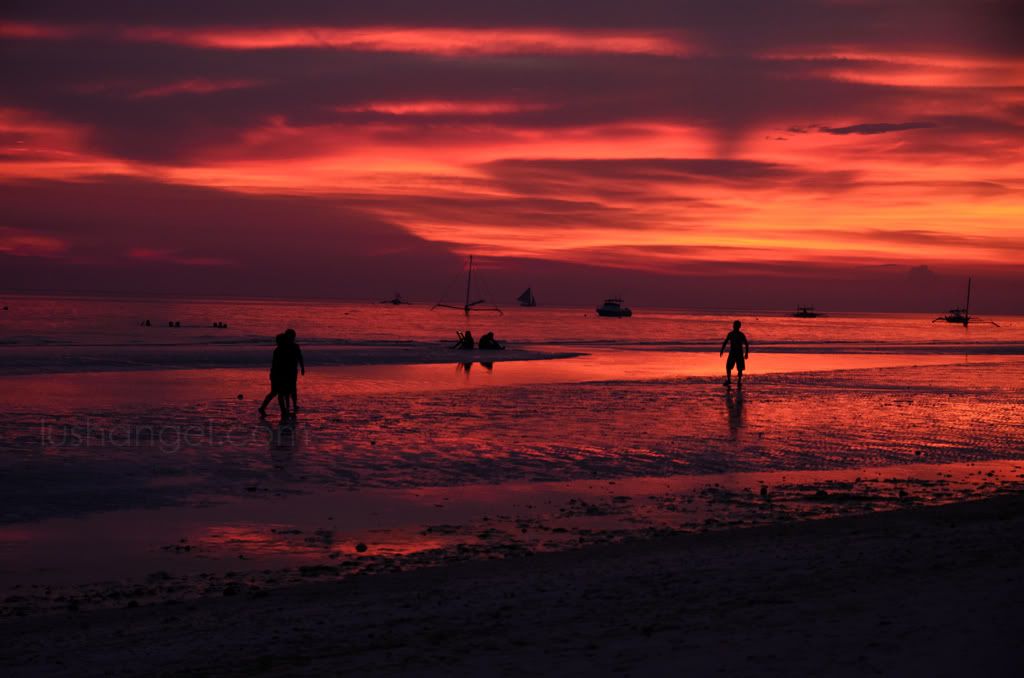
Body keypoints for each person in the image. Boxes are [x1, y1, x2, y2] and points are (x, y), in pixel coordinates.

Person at [719, 320, 749, 387]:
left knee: (740, 368)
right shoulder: (731, 334)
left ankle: (739, 381)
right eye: (734, 325)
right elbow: (726, 342)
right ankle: (729, 380)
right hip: (733, 352)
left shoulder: (740, 334)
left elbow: (746, 344)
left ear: (738, 326)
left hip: (738, 353)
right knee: (728, 367)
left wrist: (746, 353)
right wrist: (722, 350)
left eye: (735, 325)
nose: (734, 326)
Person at [283, 328, 305, 411]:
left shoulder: (292, 346)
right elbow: (300, 357)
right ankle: (290, 405)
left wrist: (302, 367)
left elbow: (300, 357)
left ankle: (292, 404)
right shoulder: (286, 346)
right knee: (289, 388)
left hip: (291, 370)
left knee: (291, 387)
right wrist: (302, 367)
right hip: (288, 370)